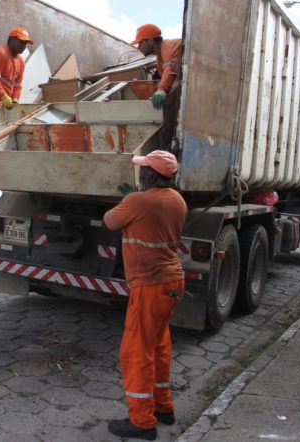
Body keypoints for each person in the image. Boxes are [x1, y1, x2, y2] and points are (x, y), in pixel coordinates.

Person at [103, 150, 188, 440]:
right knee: (159, 344)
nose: (140, 174)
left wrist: (128, 200)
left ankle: (142, 421)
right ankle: (164, 408)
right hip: (173, 282)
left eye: (143, 170)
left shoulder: (138, 201)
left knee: (136, 351)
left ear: (150, 175)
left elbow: (110, 222)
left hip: (149, 285)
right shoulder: (177, 200)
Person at [130, 24, 182, 110]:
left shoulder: (169, 46)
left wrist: (161, 90)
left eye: (140, 43)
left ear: (150, 41)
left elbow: (170, 69)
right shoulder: (159, 58)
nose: (138, 48)